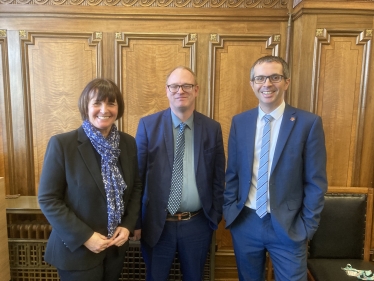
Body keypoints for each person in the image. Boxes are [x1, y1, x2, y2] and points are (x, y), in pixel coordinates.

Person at [223, 56, 328, 281]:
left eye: (275, 77)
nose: (267, 84)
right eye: (260, 78)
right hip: (246, 221)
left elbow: (316, 181)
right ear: (252, 84)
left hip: (289, 226)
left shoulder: (308, 123)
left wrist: (307, 226)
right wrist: (230, 209)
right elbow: (232, 173)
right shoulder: (240, 122)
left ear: (286, 82)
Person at [38, 78, 143, 281]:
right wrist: (86, 237)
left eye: (111, 103)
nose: (104, 109)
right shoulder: (62, 144)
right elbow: (48, 200)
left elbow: (135, 187)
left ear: (118, 108)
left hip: (114, 249)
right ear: (86, 106)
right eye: (97, 103)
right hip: (77, 253)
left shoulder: (128, 143)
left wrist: (128, 225)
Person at [133, 66, 225, 281]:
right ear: (167, 90)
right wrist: (136, 222)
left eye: (186, 85)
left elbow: (218, 177)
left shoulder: (212, 128)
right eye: (174, 86)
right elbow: (137, 178)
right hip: (156, 225)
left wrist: (215, 215)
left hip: (197, 225)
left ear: (196, 90)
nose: (180, 90)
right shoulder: (148, 126)